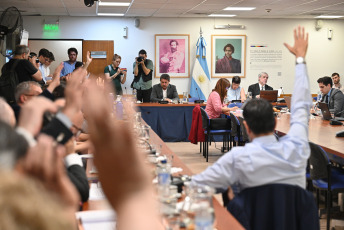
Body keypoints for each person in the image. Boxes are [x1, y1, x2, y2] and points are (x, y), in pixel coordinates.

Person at [191, 27, 311, 194]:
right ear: (275, 121)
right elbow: (301, 108)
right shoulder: (297, 149)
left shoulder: (236, 159)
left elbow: (197, 185)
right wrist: (300, 60)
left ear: (246, 127)